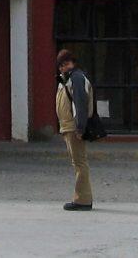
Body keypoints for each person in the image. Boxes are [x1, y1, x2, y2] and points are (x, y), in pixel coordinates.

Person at [55, 49, 94, 211]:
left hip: (73, 127)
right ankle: (83, 198)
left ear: (74, 63)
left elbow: (80, 104)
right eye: (61, 65)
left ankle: (82, 200)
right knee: (78, 162)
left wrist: (80, 128)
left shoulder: (76, 78)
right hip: (68, 126)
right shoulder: (68, 79)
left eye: (66, 64)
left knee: (79, 163)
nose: (64, 67)